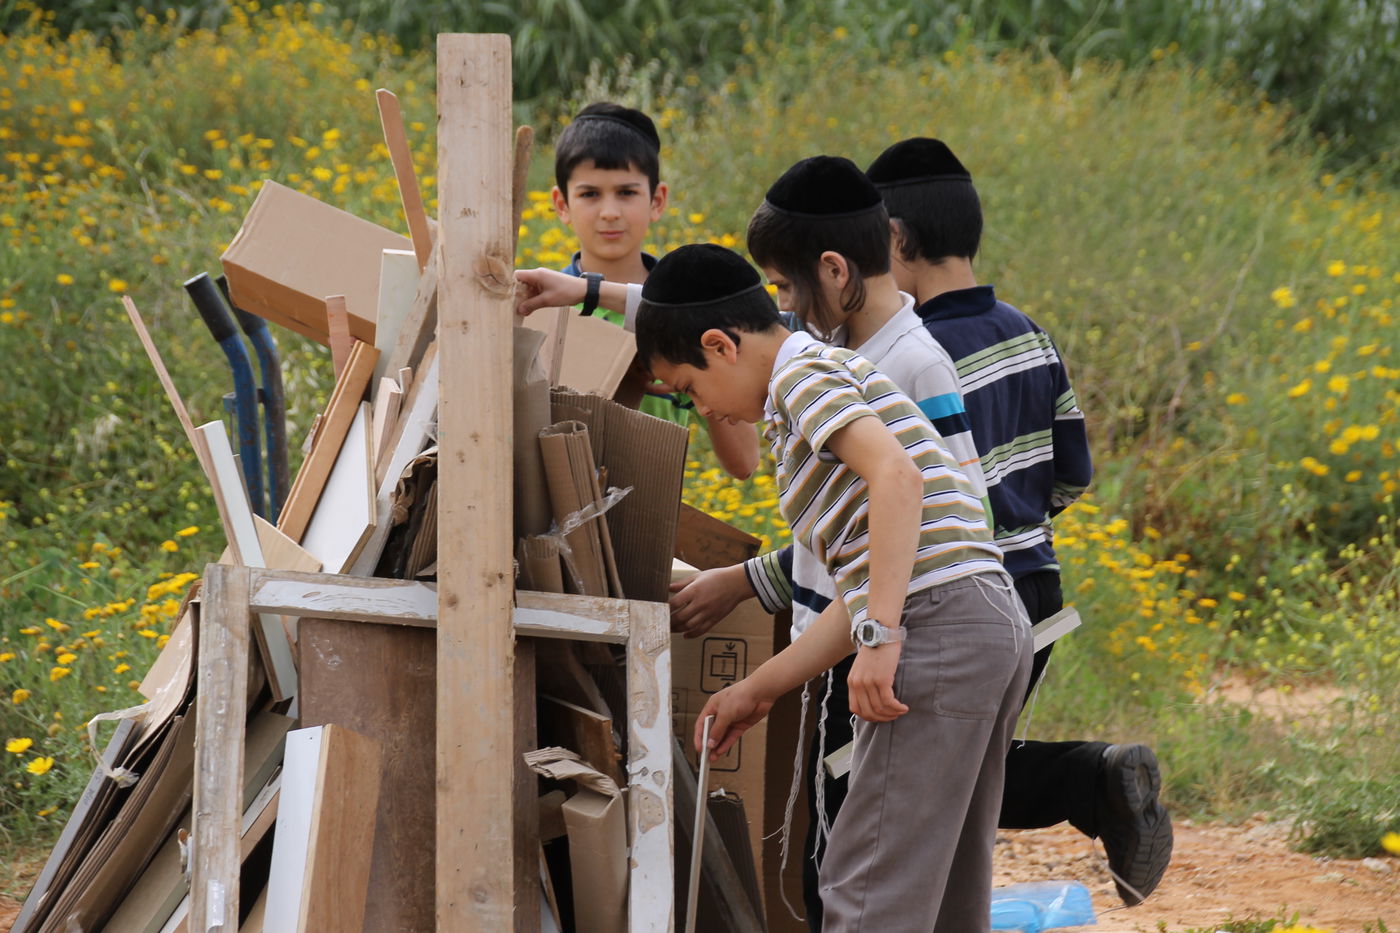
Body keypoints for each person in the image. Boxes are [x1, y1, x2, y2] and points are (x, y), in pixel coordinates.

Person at [636, 242, 1031, 933]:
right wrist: (758, 688)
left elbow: (896, 478)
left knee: (867, 886)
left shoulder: (802, 376)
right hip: (981, 619)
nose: (706, 410)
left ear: (720, 345)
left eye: (689, 390)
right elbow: (866, 581)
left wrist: (882, 636)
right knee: (940, 899)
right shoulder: (820, 379)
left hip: (939, 624)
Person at [865, 136, 1172, 906]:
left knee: (915, 775)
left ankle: (1090, 781)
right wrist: (1024, 519)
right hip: (1034, 585)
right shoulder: (1029, 331)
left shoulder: (911, 352)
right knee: (962, 763)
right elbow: (1075, 471)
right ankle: (1096, 779)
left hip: (955, 595)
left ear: (895, 241)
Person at [523, 101, 758, 476]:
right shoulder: (544, 309)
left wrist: (697, 377)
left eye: (626, 192)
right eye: (590, 194)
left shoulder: (692, 308)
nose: (610, 211)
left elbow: (744, 463)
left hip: (650, 510)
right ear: (561, 205)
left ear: (657, 200)